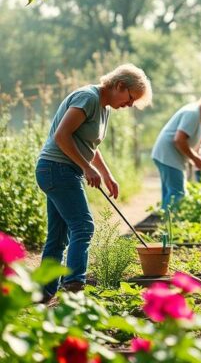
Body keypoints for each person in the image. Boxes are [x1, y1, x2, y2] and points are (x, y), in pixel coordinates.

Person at [36, 64, 153, 301]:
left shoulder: (103, 107)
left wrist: (107, 174)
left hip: (61, 170)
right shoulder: (87, 98)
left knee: (58, 235)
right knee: (83, 227)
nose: (129, 105)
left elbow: (90, 145)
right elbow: (61, 135)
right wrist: (86, 167)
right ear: (119, 86)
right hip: (56, 169)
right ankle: (74, 286)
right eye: (131, 99)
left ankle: (44, 292)